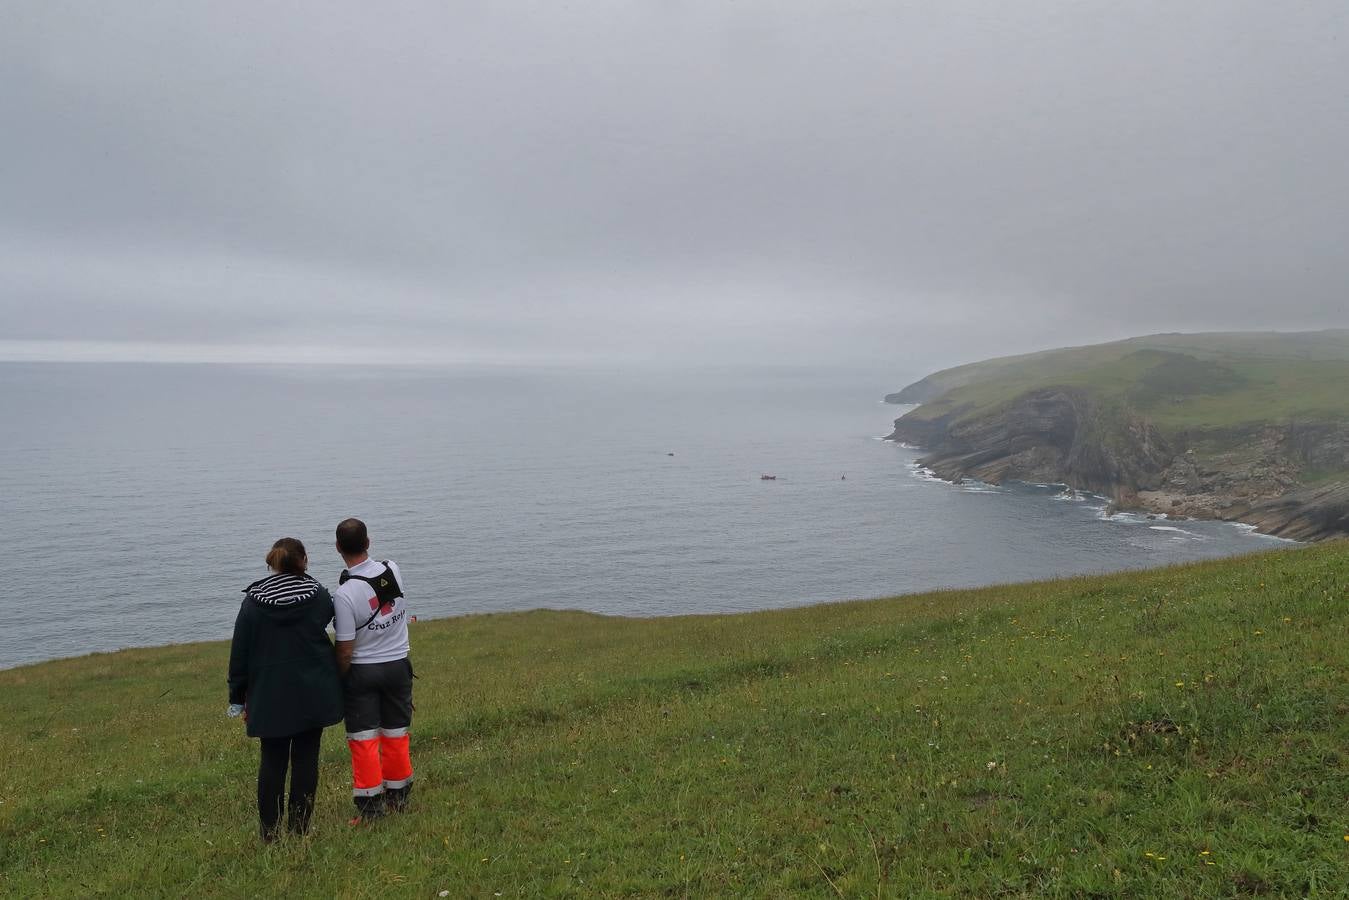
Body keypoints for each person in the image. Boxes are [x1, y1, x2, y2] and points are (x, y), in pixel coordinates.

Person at [227, 537, 343, 842]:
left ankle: (269, 833)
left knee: (272, 760)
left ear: (272, 563)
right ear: (303, 559)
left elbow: (240, 653)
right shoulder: (317, 595)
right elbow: (330, 619)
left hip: (268, 694)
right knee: (306, 759)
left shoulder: (253, 602)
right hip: (312, 691)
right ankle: (300, 828)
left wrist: (238, 699)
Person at [332, 517, 414, 822]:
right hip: (398, 665)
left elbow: (344, 647)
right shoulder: (393, 569)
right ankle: (400, 797)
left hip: (363, 671)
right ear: (368, 542)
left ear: (338, 548)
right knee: (396, 733)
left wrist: (340, 678)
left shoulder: (344, 594)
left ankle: (370, 809)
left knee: (364, 739)